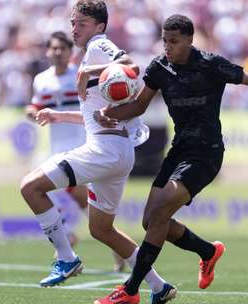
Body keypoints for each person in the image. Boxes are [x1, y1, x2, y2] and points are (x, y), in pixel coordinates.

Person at [21, 1, 176, 302]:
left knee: (30, 187)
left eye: (81, 22)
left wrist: (85, 72)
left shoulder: (98, 45)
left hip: (104, 151)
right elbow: (94, 116)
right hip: (117, 153)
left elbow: (131, 66)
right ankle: (159, 286)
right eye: (73, 23)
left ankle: (66, 257)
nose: (74, 29)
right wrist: (57, 115)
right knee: (102, 229)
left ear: (99, 26)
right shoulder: (93, 52)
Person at [93, 14, 248, 304]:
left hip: (206, 153)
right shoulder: (159, 68)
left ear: (190, 40)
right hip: (178, 151)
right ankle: (208, 252)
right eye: (165, 41)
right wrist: (108, 114)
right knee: (150, 220)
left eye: (174, 42)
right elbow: (138, 105)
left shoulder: (212, 64)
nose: (168, 47)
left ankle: (130, 290)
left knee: (161, 212)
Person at [26, 30, 125, 271]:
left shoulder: (78, 75)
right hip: (58, 148)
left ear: (70, 52)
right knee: (81, 204)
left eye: (62, 48)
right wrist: (32, 112)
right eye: (53, 48)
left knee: (43, 189)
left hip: (84, 147)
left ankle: (71, 243)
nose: (57, 52)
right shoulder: (41, 79)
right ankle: (110, 246)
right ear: (48, 51)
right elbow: (37, 105)